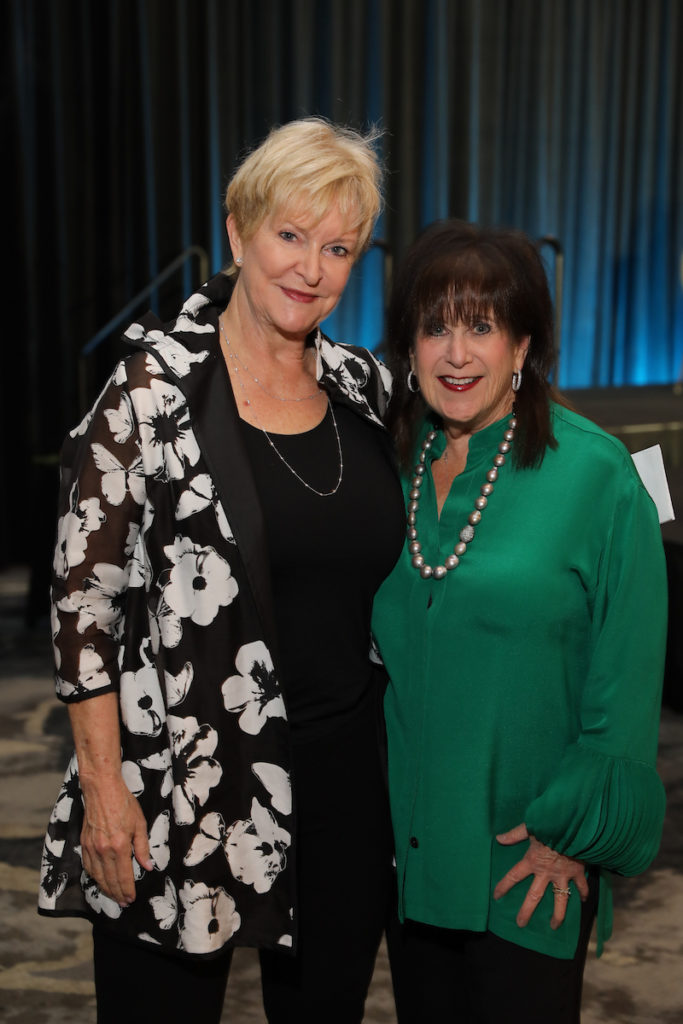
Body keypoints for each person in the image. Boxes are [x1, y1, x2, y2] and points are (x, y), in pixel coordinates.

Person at [39, 117, 405, 1023]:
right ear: (238, 232)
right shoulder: (151, 390)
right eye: (289, 235)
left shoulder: (363, 388)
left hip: (343, 781)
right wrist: (104, 786)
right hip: (179, 783)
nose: (309, 268)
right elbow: (84, 603)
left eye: (337, 248)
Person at [372, 219, 668, 1024]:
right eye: (434, 328)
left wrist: (567, 833)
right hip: (410, 857)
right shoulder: (386, 466)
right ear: (407, 347)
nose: (456, 353)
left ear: (524, 345)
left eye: (481, 326)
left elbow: (627, 677)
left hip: (526, 863)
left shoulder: (596, 474)